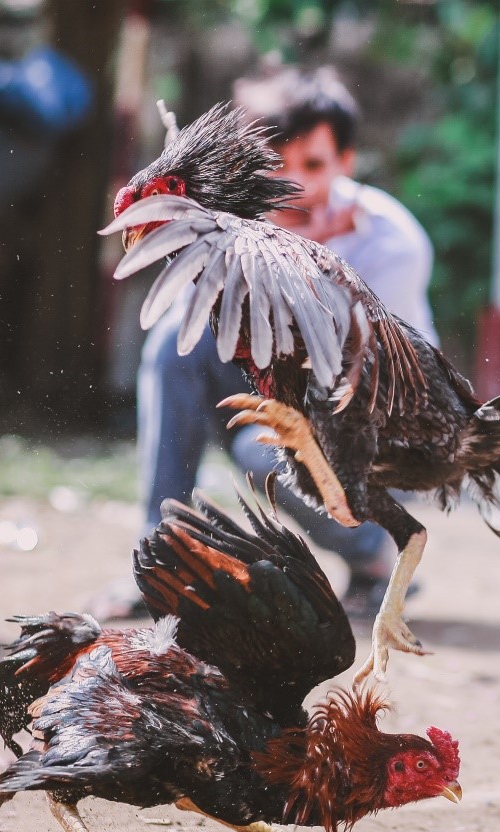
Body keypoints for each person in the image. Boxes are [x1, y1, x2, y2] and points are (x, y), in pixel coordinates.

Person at [94, 67, 438, 621]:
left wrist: (300, 260)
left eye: (313, 165)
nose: (292, 183)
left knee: (268, 454)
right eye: (276, 162)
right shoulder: (237, 223)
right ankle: (163, 559)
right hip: (284, 393)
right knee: (173, 344)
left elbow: (358, 377)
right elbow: (200, 325)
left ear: (347, 163)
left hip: (374, 430)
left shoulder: (392, 243)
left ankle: (379, 550)